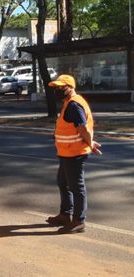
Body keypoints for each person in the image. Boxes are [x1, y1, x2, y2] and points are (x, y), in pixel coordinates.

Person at [46, 74, 102, 234]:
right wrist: (90, 142)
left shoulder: (74, 105)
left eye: (60, 87)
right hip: (66, 151)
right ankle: (65, 215)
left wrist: (90, 143)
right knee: (63, 183)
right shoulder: (68, 103)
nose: (57, 90)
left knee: (76, 187)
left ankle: (79, 221)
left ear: (69, 87)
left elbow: (82, 128)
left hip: (74, 152)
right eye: (56, 87)